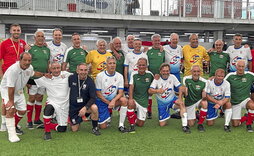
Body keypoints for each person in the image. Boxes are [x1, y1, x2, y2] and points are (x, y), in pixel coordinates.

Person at [0, 53, 43, 142]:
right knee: (11, 109)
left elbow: (33, 73)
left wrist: (44, 74)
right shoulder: (13, 70)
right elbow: (10, 88)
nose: (27, 62)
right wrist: (11, 102)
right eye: (25, 60)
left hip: (19, 90)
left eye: (29, 60)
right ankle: (12, 134)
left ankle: (12, 124)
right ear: (20, 59)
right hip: (7, 90)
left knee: (22, 111)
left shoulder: (29, 67)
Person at [0, 24, 29, 131]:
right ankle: (3, 122)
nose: (16, 32)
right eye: (14, 30)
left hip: (19, 75)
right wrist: (2, 74)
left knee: (16, 99)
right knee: (6, 100)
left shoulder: (23, 43)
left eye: (18, 30)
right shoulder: (4, 43)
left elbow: (26, 58)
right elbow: (0, 59)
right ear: (10, 31)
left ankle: (11, 121)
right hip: (7, 75)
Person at [34, 62, 72, 140]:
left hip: (64, 105)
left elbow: (78, 75)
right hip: (53, 102)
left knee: (62, 129)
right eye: (54, 68)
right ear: (50, 69)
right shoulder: (45, 78)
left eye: (58, 68)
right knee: (48, 108)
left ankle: (47, 124)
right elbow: (31, 78)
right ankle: (47, 132)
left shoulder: (66, 75)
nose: (56, 70)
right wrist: (43, 74)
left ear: (61, 68)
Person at [148, 63, 190, 133]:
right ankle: (167, 114)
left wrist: (179, 98)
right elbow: (150, 90)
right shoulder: (157, 79)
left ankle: (185, 126)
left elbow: (181, 88)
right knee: (162, 124)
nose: (166, 72)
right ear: (160, 71)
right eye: (164, 71)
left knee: (181, 104)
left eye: (167, 71)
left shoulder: (172, 77)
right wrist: (157, 90)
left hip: (172, 101)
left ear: (169, 71)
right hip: (162, 104)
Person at [95, 56, 129, 132]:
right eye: (110, 63)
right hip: (102, 102)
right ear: (106, 64)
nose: (112, 65)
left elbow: (120, 93)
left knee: (124, 100)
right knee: (103, 127)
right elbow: (98, 93)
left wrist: (113, 101)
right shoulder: (100, 76)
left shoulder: (119, 76)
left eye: (114, 63)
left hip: (113, 101)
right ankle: (100, 116)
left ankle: (121, 125)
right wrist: (108, 103)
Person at [26, 30, 50, 129]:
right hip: (32, 78)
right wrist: (26, 79)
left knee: (40, 98)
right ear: (35, 38)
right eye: (38, 36)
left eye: (42, 36)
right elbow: (26, 64)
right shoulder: (30, 49)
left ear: (44, 38)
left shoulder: (47, 49)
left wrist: (49, 74)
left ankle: (36, 120)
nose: (40, 38)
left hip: (43, 78)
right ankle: (29, 121)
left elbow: (48, 63)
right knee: (31, 98)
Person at [68, 63, 100, 135]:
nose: (83, 72)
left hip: (85, 107)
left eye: (85, 70)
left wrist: (85, 108)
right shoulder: (71, 78)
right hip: (74, 108)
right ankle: (79, 117)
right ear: (77, 71)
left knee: (94, 108)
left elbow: (93, 97)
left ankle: (95, 128)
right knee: (74, 129)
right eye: (81, 70)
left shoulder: (90, 81)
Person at [225, 60, 254, 132]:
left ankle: (249, 124)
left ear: (245, 67)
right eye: (239, 66)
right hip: (235, 102)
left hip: (245, 100)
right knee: (235, 124)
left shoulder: (250, 75)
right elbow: (222, 83)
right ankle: (246, 117)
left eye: (242, 66)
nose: (241, 68)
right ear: (236, 66)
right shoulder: (230, 76)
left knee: (252, 105)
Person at [127, 58, 153, 133]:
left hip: (144, 101)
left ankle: (132, 116)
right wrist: (131, 99)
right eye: (140, 65)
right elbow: (131, 86)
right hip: (135, 99)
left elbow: (154, 84)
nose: (141, 67)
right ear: (137, 66)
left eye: (143, 65)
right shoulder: (134, 74)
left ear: (146, 66)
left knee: (140, 124)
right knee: (130, 104)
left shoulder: (150, 74)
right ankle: (132, 125)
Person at [182, 65, 208, 132]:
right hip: (190, 102)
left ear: (201, 72)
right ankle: (196, 114)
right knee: (191, 124)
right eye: (194, 71)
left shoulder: (205, 81)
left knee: (204, 103)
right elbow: (184, 89)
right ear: (191, 72)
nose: (196, 73)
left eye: (198, 71)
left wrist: (204, 94)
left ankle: (200, 124)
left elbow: (204, 93)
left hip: (198, 101)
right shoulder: (186, 79)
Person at [146, 34, 165, 119]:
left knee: (161, 93)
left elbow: (165, 64)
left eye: (158, 41)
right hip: (150, 76)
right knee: (149, 93)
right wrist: (151, 75)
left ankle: (162, 112)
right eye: (155, 41)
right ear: (152, 42)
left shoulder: (163, 51)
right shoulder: (148, 51)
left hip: (160, 77)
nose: (157, 42)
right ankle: (149, 111)